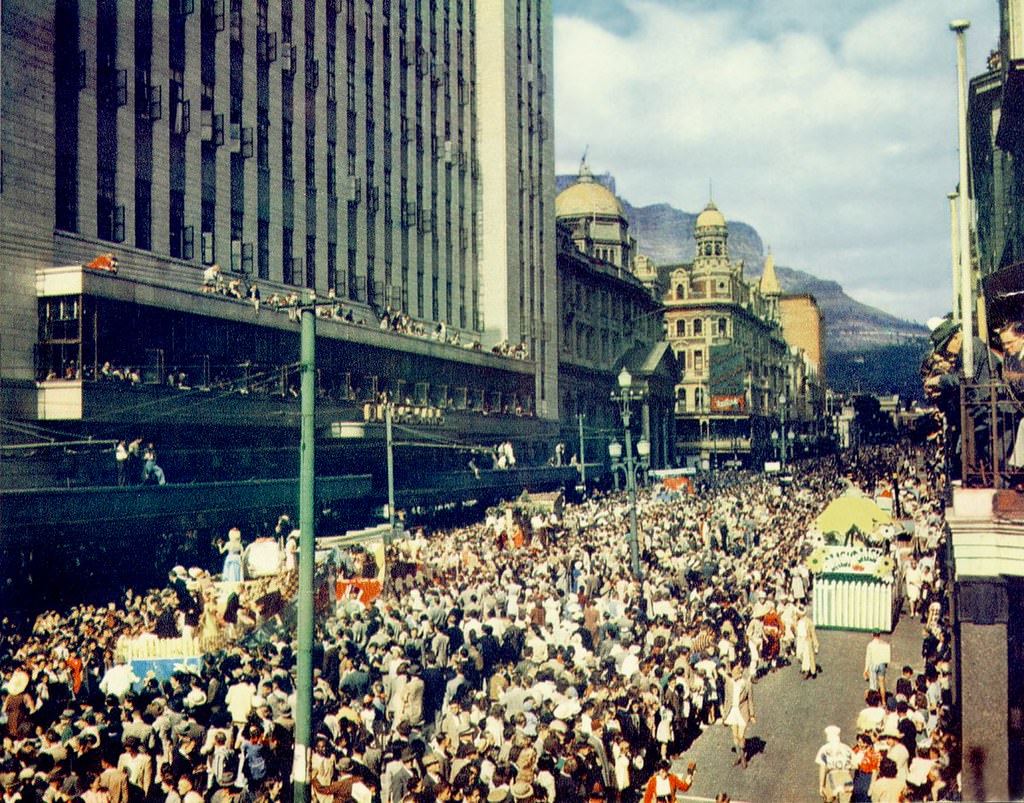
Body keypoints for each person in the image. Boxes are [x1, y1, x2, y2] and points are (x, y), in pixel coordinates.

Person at [722, 663, 754, 768]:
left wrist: (752, 714)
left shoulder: (746, 684)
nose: (738, 672)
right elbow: (727, 699)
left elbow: (750, 700)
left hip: (742, 711)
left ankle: (743, 755)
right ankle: (739, 755)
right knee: (735, 736)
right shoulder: (728, 684)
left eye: (739, 670)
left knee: (741, 736)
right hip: (732, 711)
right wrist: (725, 714)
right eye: (735, 670)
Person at [816, 725, 855, 803]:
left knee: (828, 800)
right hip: (846, 776)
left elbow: (822, 767)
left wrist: (821, 786)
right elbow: (854, 765)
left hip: (832, 776)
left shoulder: (824, 749)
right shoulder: (847, 748)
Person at [794, 604, 819, 679]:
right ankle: (805, 666)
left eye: (797, 613)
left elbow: (813, 634)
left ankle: (806, 670)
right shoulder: (797, 621)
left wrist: (816, 645)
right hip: (799, 640)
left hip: (806, 640)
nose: (796, 614)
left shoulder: (809, 622)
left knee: (806, 656)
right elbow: (795, 630)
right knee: (799, 655)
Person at [863, 633, 890, 701]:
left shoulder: (870, 645)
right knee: (882, 684)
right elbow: (887, 657)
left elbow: (868, 657)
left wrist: (866, 669)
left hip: (874, 664)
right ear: (879, 635)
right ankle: (883, 701)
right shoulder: (885, 644)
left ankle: (874, 700)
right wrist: (885, 665)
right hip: (881, 664)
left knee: (873, 685)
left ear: (872, 635)